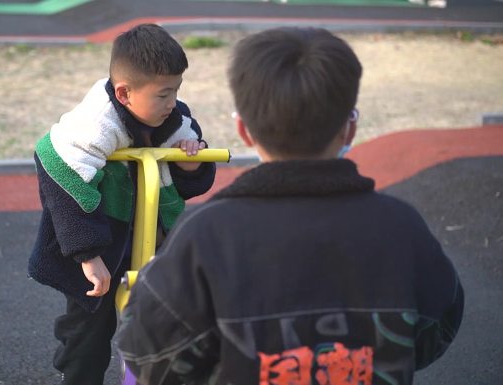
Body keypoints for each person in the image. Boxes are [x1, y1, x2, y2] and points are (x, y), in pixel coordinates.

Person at [116, 27, 464, 385]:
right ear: (350, 129)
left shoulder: (203, 236)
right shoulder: (401, 226)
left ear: (245, 130)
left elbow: (149, 354)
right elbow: (437, 327)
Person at [27, 23, 216, 385]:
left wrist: (190, 163)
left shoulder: (173, 117)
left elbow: (188, 182)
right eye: (163, 94)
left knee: (162, 314)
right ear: (124, 93)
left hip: (144, 231)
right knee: (88, 330)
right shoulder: (94, 123)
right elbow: (60, 169)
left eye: (176, 90)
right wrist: (87, 254)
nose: (172, 102)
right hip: (96, 233)